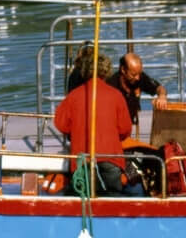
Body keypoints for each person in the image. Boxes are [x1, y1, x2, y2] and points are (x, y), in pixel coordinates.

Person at [54, 47, 144, 197]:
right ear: (106, 71)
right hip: (111, 158)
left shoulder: (74, 96)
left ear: (84, 70)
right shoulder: (115, 96)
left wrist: (76, 131)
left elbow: (61, 124)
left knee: (83, 198)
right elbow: (125, 130)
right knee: (111, 200)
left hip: (83, 159)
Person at [108, 52, 169, 125]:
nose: (138, 78)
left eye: (139, 73)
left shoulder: (140, 78)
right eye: (133, 75)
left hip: (131, 123)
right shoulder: (111, 85)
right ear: (123, 70)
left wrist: (162, 96)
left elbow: (159, 88)